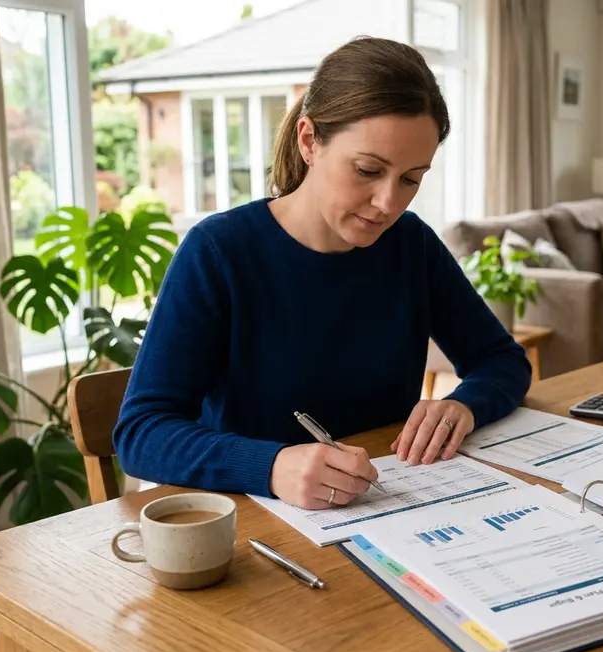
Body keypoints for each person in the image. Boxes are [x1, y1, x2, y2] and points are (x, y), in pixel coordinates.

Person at [112, 36, 532, 510]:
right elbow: (142, 433)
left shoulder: (410, 244)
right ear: (309, 140)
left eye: (412, 178)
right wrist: (270, 465)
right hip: (258, 523)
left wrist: (464, 406)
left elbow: (502, 360)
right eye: (368, 170)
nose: (389, 203)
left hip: (387, 508)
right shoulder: (219, 252)